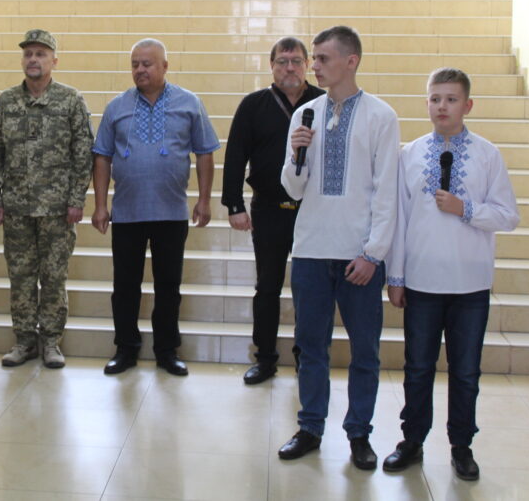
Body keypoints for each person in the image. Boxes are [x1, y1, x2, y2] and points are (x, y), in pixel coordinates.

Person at [382, 68, 519, 481]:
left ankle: (462, 446)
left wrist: (467, 209)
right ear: (426, 103)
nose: (442, 106)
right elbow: (399, 220)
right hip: (422, 281)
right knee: (417, 368)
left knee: (465, 371)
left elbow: (508, 215)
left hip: (470, 284)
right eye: (435, 99)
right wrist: (396, 277)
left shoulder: (487, 155)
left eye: (451, 99)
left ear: (468, 105)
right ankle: (412, 440)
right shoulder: (409, 154)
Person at [276, 25, 399, 471]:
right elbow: (292, 188)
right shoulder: (304, 114)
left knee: (365, 351)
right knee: (311, 346)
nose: (314, 66)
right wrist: (297, 153)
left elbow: (387, 193)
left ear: (351, 61)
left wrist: (373, 253)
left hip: (358, 256)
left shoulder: (381, 117)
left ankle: (359, 433)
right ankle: (310, 427)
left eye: (323, 58)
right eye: (314, 58)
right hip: (311, 249)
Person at [92, 38, 220, 377]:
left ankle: (166, 350)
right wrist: (101, 205)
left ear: (165, 66)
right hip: (127, 213)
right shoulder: (117, 106)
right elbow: (102, 156)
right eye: (135, 64)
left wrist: (204, 199)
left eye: (147, 64)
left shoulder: (189, 103)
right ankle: (126, 348)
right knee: (125, 286)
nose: (140, 70)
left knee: (168, 286)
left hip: (171, 212)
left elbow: (205, 153)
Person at [0, 29, 93, 369]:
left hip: (57, 209)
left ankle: (51, 342)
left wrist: (76, 199)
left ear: (54, 61)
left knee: (54, 277)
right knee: (20, 277)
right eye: (28, 53)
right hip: (16, 208)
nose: (33, 59)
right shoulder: (5, 102)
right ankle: (24, 341)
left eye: (40, 54)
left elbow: (83, 154)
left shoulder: (71, 101)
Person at [222, 37, 324, 385]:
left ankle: (306, 358)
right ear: (272, 66)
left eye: (296, 61)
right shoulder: (254, 105)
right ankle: (265, 358)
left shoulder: (323, 103)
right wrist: (235, 205)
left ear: (307, 65)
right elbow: (235, 155)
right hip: (268, 208)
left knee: (310, 288)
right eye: (282, 61)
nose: (289, 68)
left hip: (313, 211)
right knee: (267, 286)